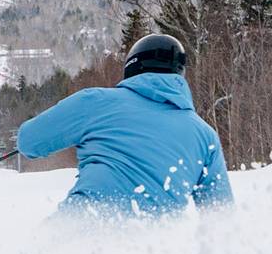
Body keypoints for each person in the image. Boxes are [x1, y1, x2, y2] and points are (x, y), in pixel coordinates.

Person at [17, 34, 233, 217]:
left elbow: (29, 141)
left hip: (83, 223)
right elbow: (220, 215)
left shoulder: (95, 101)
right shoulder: (205, 135)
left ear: (132, 67)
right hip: (156, 250)